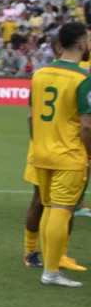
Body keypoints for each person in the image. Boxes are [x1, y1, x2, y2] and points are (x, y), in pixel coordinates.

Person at [26, 22, 91, 288]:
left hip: (41, 152)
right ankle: (51, 272)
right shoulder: (82, 79)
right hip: (69, 154)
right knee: (62, 211)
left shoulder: (39, 74)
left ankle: (48, 265)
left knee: (50, 208)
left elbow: (31, 117)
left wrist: (39, 143)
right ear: (80, 44)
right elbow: (87, 125)